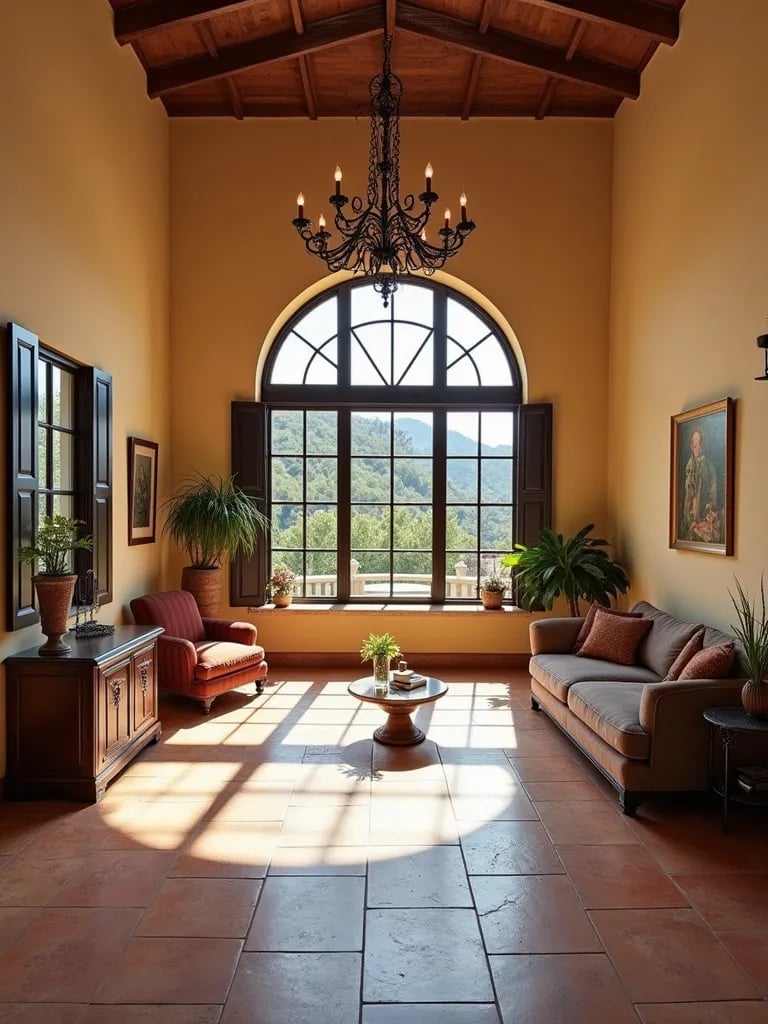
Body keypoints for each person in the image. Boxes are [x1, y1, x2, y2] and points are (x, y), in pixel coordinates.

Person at [681, 427, 720, 542]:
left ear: (703, 444)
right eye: (694, 441)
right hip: (689, 516)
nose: (696, 445)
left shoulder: (709, 467)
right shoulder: (689, 465)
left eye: (698, 440)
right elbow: (686, 494)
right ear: (691, 445)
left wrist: (709, 512)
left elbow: (713, 494)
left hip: (703, 516)